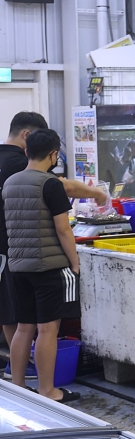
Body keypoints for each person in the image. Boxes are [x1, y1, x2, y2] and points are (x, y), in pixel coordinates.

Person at [0, 112, 107, 359]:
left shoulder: (10, 177)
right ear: (28, 137)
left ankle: (18, 375)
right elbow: (62, 224)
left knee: (11, 312)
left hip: (14, 255)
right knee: (46, 326)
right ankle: (46, 386)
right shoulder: (24, 167)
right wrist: (97, 194)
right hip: (33, 257)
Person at [2, 128, 91, 402]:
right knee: (47, 330)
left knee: (24, 328)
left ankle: (17, 387)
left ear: (27, 151)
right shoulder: (50, 184)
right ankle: (47, 390)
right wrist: (75, 264)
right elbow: (64, 230)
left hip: (18, 267)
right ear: (54, 155)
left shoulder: (10, 183)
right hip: (49, 267)